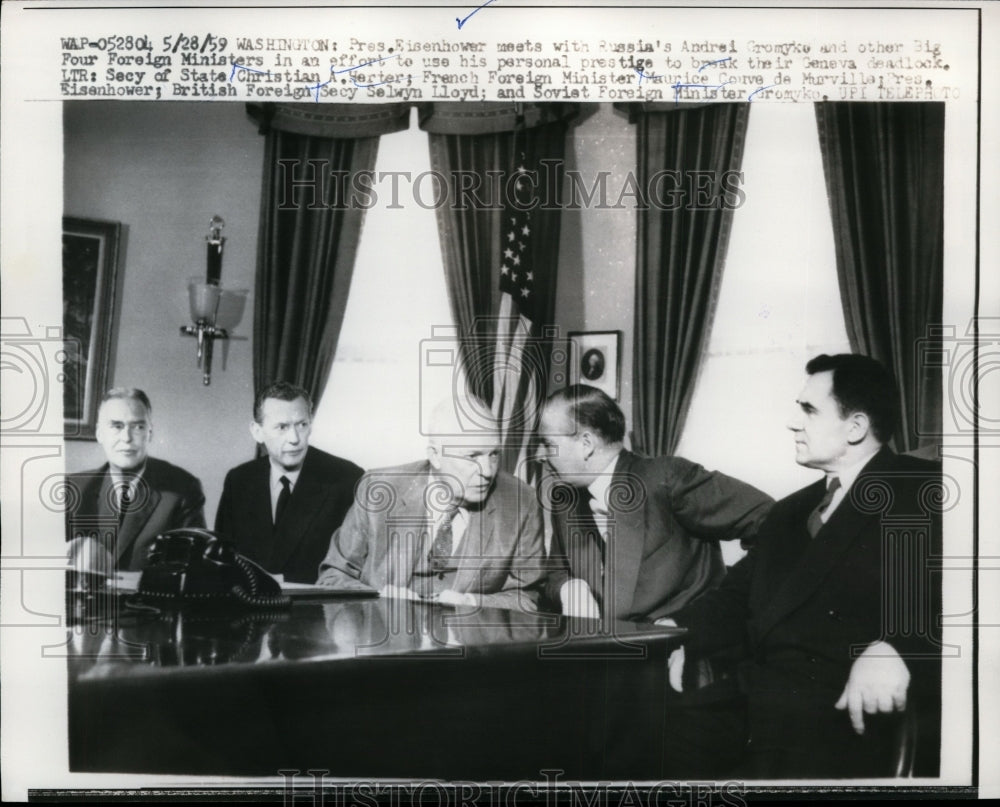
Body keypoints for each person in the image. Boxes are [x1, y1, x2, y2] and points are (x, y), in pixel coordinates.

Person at [663, 354, 942, 778]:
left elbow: (972, 594)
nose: (794, 423)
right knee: (638, 735)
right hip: (756, 703)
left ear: (856, 427)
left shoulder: (925, 489)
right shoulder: (790, 511)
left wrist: (900, 647)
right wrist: (674, 633)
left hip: (841, 719)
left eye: (809, 410)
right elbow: (734, 599)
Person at [536, 384, 773, 621]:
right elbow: (557, 573)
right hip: (606, 649)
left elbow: (771, 520)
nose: (539, 455)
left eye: (547, 443)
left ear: (586, 444)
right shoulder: (565, 502)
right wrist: (571, 589)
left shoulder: (668, 478)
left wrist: (727, 601)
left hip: (685, 646)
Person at [317, 394, 547, 612]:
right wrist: (380, 599)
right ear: (435, 456)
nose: (487, 471)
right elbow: (333, 577)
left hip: (468, 646)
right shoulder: (377, 490)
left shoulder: (521, 502)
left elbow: (528, 598)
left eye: (494, 454)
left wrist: (470, 602)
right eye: (472, 456)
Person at [214, 381, 363, 584]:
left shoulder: (347, 478)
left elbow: (354, 568)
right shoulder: (239, 480)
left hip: (317, 611)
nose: (294, 439)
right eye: (282, 427)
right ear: (257, 432)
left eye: (302, 425)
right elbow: (221, 562)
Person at [65, 388, 206, 572]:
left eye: (138, 427)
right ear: (100, 434)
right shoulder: (73, 489)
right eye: (117, 426)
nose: (127, 438)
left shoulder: (182, 490)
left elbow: (191, 571)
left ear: (150, 433)